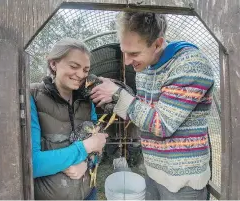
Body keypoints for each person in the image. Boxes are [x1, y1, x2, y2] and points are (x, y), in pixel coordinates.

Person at [90, 12, 215, 200]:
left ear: (157, 44)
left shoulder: (190, 64)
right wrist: (116, 92)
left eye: (133, 53)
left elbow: (162, 124)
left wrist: (118, 94)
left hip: (182, 182)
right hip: (153, 172)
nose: (126, 61)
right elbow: (143, 112)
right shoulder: (145, 69)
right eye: (124, 51)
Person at [30, 38, 108, 200]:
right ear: (53, 64)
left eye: (86, 69)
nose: (81, 75)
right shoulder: (33, 97)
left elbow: (98, 145)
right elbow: (33, 164)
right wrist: (84, 148)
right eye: (74, 66)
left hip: (88, 194)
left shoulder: (87, 101)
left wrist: (87, 163)